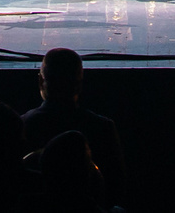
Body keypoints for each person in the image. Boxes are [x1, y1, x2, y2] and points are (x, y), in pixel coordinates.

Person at [20, 49, 125, 200]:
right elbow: (116, 188)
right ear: (79, 84)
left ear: (41, 81)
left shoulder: (21, 126)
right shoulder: (102, 128)